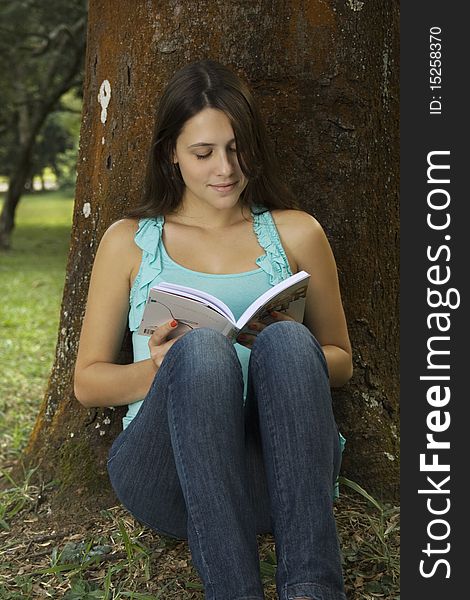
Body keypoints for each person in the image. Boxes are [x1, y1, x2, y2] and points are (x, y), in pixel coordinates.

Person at [74, 59, 353, 600]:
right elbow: (87, 383)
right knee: (200, 352)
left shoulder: (296, 232)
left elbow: (339, 359)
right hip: (169, 475)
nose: (224, 168)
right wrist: (161, 368)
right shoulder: (129, 241)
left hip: (278, 472)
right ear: (171, 156)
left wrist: (277, 341)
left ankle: (315, 589)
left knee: (291, 342)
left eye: (235, 147)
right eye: (202, 153)